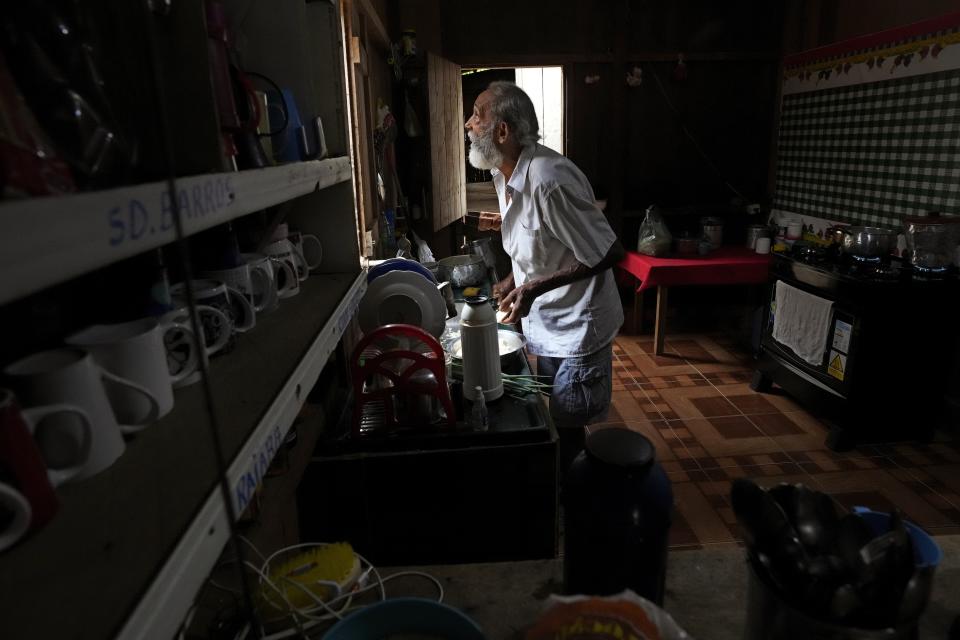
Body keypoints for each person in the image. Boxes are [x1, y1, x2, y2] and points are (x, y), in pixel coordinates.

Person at [464, 80, 625, 468]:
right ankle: (563, 486)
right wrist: (516, 279)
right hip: (551, 320)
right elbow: (543, 246)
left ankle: (570, 503)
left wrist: (535, 286)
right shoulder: (505, 173)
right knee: (557, 416)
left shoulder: (548, 180)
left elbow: (609, 251)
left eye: (477, 115)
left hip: (578, 327)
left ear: (502, 131)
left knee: (567, 428)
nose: (468, 124)